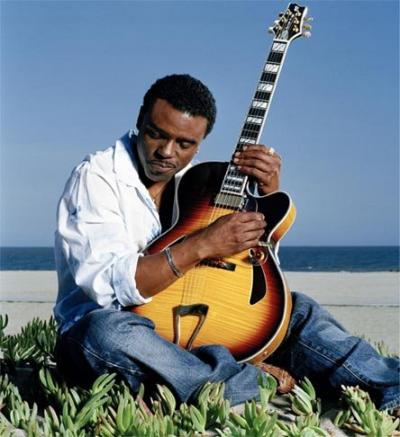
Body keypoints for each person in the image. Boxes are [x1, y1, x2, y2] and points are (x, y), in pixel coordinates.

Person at [54, 74, 399, 411]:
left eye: (184, 144)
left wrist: (266, 195)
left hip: (200, 322)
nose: (167, 152)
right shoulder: (97, 178)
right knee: (102, 334)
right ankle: (249, 380)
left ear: (201, 141)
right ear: (140, 119)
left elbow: (248, 264)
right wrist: (202, 243)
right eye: (156, 134)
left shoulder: (199, 181)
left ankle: (390, 387)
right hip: (128, 332)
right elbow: (109, 288)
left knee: (296, 311)